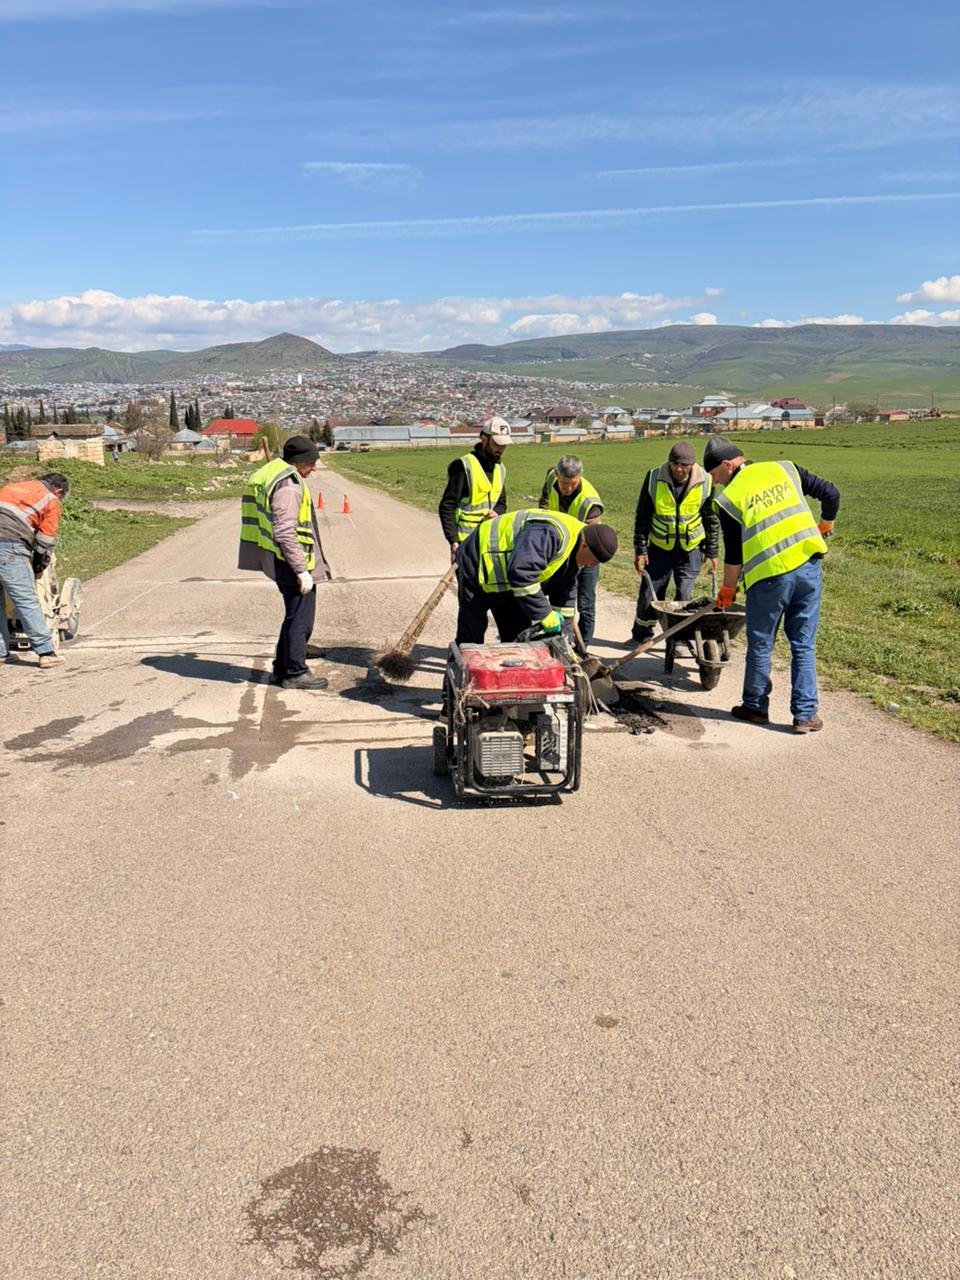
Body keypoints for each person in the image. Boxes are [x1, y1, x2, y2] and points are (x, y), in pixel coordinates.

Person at [704, 436, 839, 734]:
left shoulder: (728, 499)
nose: (716, 483)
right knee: (803, 644)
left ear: (728, 465)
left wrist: (727, 590)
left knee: (762, 643)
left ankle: (754, 706)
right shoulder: (785, 468)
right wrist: (826, 524)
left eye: (715, 476)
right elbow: (831, 493)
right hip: (808, 567)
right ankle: (805, 715)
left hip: (769, 577)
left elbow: (735, 555)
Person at [238, 435, 332, 691]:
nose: (314, 468)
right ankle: (295, 672)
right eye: (311, 463)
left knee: (293, 616)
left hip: (279, 559)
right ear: (299, 461)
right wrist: (302, 570)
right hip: (291, 562)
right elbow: (284, 531)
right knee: (301, 619)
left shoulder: (273, 471)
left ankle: (281, 668)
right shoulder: (289, 486)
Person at [455, 508, 619, 646]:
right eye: (594, 561)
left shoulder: (576, 552)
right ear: (584, 546)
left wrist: (566, 638)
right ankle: (463, 680)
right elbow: (521, 573)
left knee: (518, 640)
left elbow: (565, 593)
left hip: (508, 584)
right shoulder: (550, 533)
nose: (592, 566)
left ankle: (510, 681)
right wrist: (545, 614)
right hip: (477, 564)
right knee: (471, 639)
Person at [631, 440, 718, 644]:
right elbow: (642, 516)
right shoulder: (654, 478)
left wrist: (712, 551)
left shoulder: (706, 480)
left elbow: (711, 518)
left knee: (684, 594)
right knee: (649, 594)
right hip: (660, 548)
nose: (679, 469)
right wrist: (640, 550)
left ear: (692, 465)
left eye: (684, 466)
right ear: (669, 462)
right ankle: (642, 635)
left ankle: (679, 639)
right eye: (675, 464)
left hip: (691, 549)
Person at [0, 471, 70, 669]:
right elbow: (44, 541)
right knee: (26, 600)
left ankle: (1, 652)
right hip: (9, 546)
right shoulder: (50, 499)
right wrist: (38, 565)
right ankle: (46, 652)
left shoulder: (11, 487)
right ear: (58, 490)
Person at [538, 455, 604, 647]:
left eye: (572, 484)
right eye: (564, 483)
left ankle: (584, 646)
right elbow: (543, 503)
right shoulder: (551, 477)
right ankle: (558, 641)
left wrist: (575, 568)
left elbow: (590, 544)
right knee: (559, 597)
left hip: (586, 554)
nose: (567, 488)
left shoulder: (591, 505)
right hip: (560, 550)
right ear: (557, 475)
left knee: (585, 600)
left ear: (580, 477)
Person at [438, 416, 510, 562]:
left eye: (504, 445)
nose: (501, 449)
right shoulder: (462, 466)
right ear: (484, 439)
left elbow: (501, 502)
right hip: (464, 541)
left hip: (490, 539)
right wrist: (453, 541)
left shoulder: (500, 469)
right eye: (497, 444)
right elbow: (447, 505)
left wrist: (497, 513)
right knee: (467, 584)